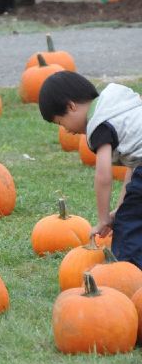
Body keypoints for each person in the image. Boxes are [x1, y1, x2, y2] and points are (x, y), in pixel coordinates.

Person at [38, 72, 142, 268]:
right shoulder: (118, 105)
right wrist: (120, 209)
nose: (67, 130)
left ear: (71, 106)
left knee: (129, 228)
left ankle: (128, 272)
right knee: (130, 214)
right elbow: (134, 168)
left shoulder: (99, 125)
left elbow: (103, 176)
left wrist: (103, 219)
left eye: (61, 122)